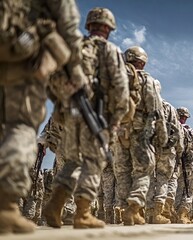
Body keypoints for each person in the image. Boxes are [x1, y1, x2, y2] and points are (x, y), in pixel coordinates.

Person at [0, 0, 85, 234]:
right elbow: (70, 36)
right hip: (22, 71)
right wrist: (75, 77)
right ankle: (5, 208)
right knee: (20, 129)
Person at [43, 7, 129, 229]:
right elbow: (121, 89)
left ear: (89, 26)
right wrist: (117, 119)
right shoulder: (110, 50)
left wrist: (63, 104)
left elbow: (52, 81)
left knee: (72, 160)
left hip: (71, 113)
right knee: (93, 162)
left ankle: (55, 203)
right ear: (109, 29)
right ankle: (82, 213)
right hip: (96, 114)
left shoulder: (73, 48)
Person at [120, 46, 167, 226]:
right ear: (143, 62)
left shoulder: (113, 78)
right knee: (143, 170)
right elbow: (156, 111)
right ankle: (133, 209)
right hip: (140, 132)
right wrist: (161, 137)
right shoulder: (147, 80)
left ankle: (126, 209)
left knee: (122, 171)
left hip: (118, 132)